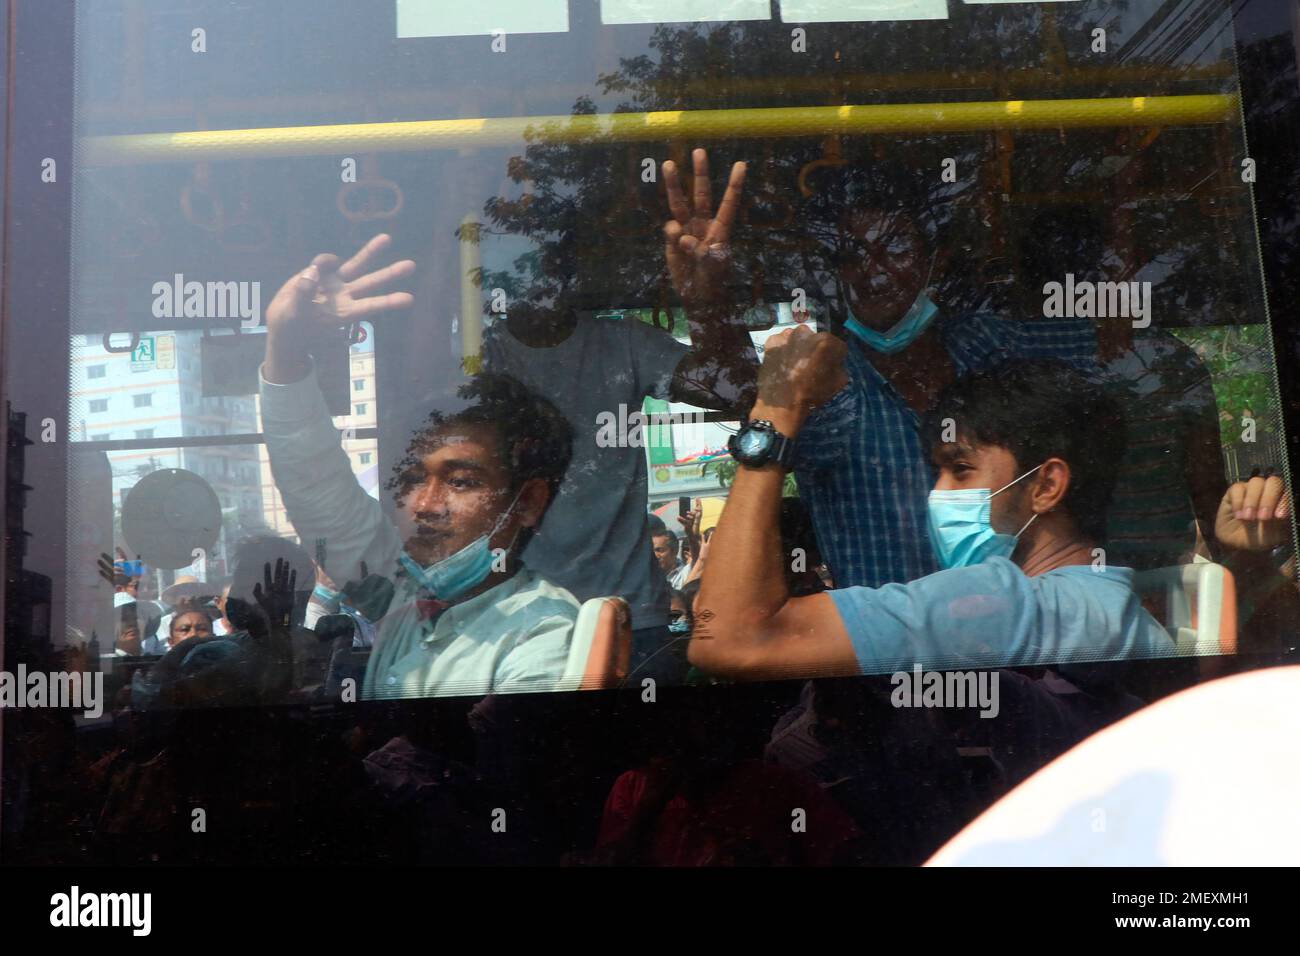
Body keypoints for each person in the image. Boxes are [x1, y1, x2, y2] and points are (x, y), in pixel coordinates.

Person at [691, 338, 1177, 679]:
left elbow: (730, 640)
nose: (937, 494)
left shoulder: (1004, 606)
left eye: (960, 470)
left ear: (1046, 485)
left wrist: (776, 409)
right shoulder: (1107, 601)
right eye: (937, 472)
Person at [480, 148, 759, 681]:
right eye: (521, 260)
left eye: (551, 258)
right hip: (513, 624)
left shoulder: (623, 345)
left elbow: (737, 390)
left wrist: (707, 297)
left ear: (572, 269)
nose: (537, 274)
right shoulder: (482, 362)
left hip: (634, 620)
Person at [260, 255, 579, 696]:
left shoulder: (544, 637)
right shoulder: (406, 598)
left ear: (528, 502)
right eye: (412, 478)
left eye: (461, 481)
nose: (425, 505)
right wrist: (286, 348)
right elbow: (317, 489)